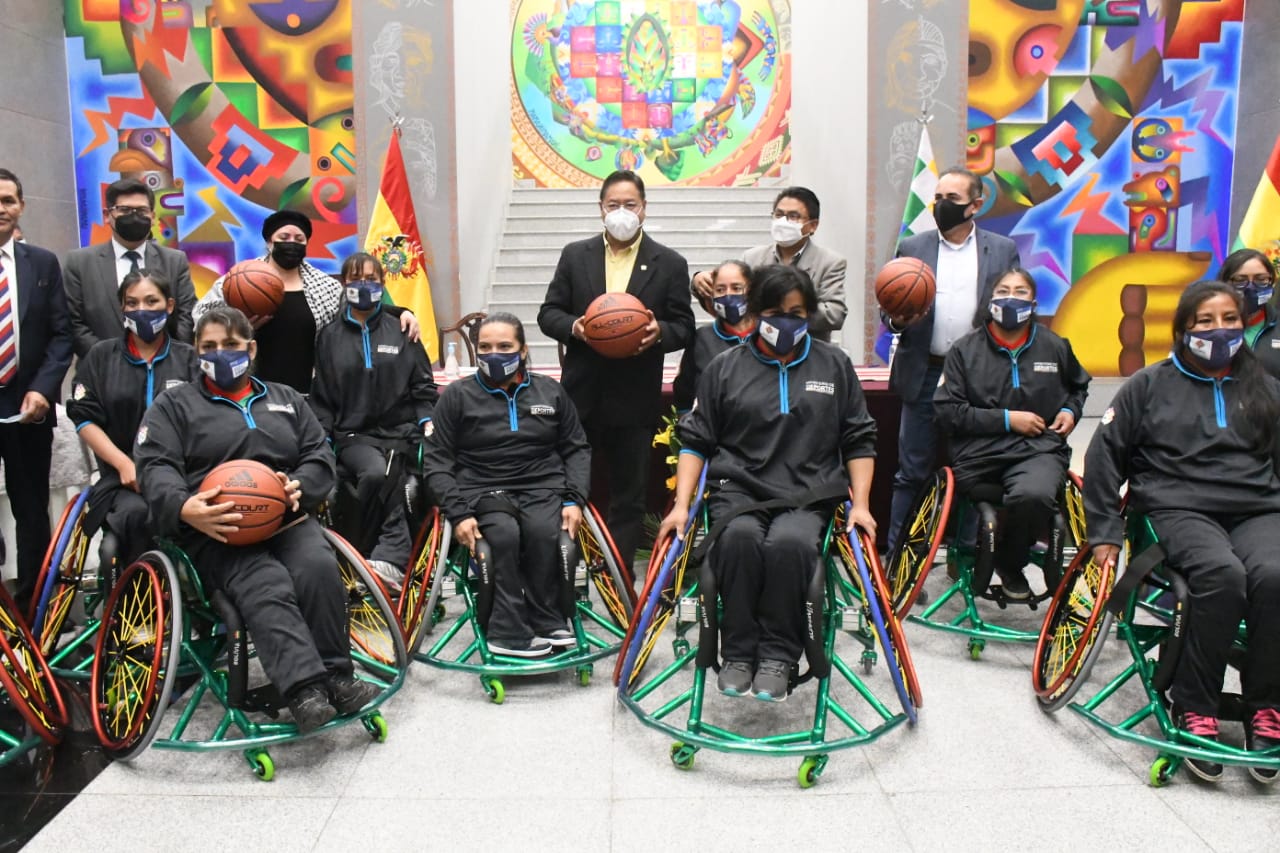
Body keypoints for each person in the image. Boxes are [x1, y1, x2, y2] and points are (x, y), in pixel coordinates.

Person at [133, 305, 379, 732]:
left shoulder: (286, 399)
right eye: (209, 346)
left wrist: (301, 485)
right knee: (266, 581)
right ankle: (304, 689)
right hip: (216, 526)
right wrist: (184, 506)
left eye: (231, 345)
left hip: (283, 517)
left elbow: (319, 456)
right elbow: (154, 465)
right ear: (195, 351)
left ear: (251, 348)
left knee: (319, 567)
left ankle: (337, 676)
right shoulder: (174, 405)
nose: (221, 353)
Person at [1084, 280, 1280, 784]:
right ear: (1183, 329)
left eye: (1230, 320)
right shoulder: (1149, 385)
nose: (1220, 330)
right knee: (1221, 576)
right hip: (1178, 506)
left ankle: (1265, 704)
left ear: (1245, 324)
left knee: (1274, 576)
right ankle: (1195, 704)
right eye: (1206, 321)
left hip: (1257, 508)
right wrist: (1104, 531)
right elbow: (1103, 457)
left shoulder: (1266, 388)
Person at [659, 265, 877, 701]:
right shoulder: (724, 368)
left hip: (808, 491)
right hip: (738, 491)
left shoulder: (833, 364)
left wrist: (862, 505)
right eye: (775, 311)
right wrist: (681, 505)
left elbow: (859, 439)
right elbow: (696, 442)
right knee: (738, 541)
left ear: (810, 314)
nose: (786, 321)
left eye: (797, 312)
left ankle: (778, 654)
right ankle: (738, 652)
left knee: (791, 546)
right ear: (756, 311)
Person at [537, 169, 695, 573]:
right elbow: (548, 313)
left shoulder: (670, 262)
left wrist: (660, 332)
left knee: (629, 493)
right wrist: (575, 327)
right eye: (613, 205)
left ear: (644, 209)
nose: (621, 212)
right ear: (600, 209)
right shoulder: (576, 255)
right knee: (572, 485)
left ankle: (617, 571)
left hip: (635, 398)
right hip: (581, 395)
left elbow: (684, 325)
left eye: (630, 205)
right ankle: (564, 563)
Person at [422, 313, 591, 658]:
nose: (493, 355)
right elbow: (437, 461)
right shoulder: (456, 396)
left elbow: (576, 448)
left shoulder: (550, 391)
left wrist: (575, 500)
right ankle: (507, 631)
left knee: (544, 533)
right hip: (482, 487)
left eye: (504, 346)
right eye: (485, 347)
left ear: (523, 350)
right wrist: (459, 513)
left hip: (543, 484)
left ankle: (547, 618)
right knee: (503, 536)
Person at [884, 167, 1020, 559]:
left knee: (973, 473)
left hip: (978, 377)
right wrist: (897, 320)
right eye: (938, 197)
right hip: (924, 368)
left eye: (952, 200)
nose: (941, 205)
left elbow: (1011, 306)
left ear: (976, 205)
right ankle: (900, 558)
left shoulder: (1002, 249)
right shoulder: (913, 248)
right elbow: (890, 309)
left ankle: (965, 559)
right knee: (912, 472)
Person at [933, 268, 1090, 599]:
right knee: (1013, 495)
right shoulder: (964, 351)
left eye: (1020, 292)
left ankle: (1009, 562)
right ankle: (985, 556)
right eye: (1003, 290)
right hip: (979, 454)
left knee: (1033, 495)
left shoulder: (1055, 346)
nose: (1011, 297)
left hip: (1038, 450)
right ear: (990, 300)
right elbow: (948, 412)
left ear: (1033, 302)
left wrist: (1070, 410)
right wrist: (1006, 420)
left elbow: (1079, 386)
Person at [310, 253, 438, 592]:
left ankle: (379, 562)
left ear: (383, 284)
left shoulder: (402, 328)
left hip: (401, 432)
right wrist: (321, 438)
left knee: (396, 468)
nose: (363, 286)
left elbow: (422, 385)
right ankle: (382, 559)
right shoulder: (328, 337)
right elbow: (321, 396)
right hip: (355, 436)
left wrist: (427, 420)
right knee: (375, 472)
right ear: (344, 284)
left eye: (371, 279)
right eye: (355, 279)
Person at [194, 209, 419, 393]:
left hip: (307, 391)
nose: (291, 243)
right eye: (284, 238)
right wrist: (236, 326)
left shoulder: (326, 286)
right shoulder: (241, 278)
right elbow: (200, 316)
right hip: (250, 389)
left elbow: (355, 311)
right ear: (269, 242)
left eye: (298, 239)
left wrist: (401, 312)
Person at [66, 271, 199, 575]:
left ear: (169, 306)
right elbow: (84, 418)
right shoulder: (100, 356)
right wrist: (125, 465)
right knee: (139, 516)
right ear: (122, 309)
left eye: (151, 301)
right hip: (121, 480)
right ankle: (140, 609)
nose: (142, 309)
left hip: (184, 476)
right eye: (133, 302)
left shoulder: (190, 359)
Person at [0, 168, 74, 610]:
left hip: (29, 407)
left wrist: (45, 389)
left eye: (8, 200)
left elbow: (61, 335)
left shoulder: (42, 263)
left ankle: (34, 612)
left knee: (31, 512)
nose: (1, 209)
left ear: (21, 206)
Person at [62, 177, 197, 357]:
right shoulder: (79, 262)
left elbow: (186, 316)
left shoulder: (175, 260)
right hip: (101, 373)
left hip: (165, 372)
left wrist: (169, 359)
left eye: (142, 210)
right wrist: (112, 362)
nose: (134, 216)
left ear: (153, 216)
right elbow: (74, 324)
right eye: (124, 210)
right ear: (106, 215)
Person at [690, 187, 847, 341]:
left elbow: (834, 314)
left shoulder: (829, 263)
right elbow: (731, 293)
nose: (784, 222)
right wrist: (699, 280)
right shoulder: (752, 257)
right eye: (779, 215)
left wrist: (782, 312)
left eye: (793, 216)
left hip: (809, 352)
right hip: (760, 352)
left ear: (813, 225)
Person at [672, 260, 755, 413]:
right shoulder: (701, 338)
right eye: (720, 289)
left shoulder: (767, 336)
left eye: (736, 288)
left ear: (750, 291)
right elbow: (684, 392)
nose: (728, 295)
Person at [1218, 248, 1279, 380]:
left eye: (1261, 279)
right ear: (1224, 283)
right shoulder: (1204, 326)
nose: (1250, 288)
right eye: (1240, 280)